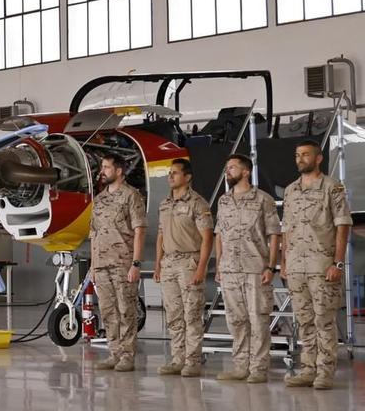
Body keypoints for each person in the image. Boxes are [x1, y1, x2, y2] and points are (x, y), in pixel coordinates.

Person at [280, 142, 351, 390]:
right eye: (297, 155)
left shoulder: (332, 187)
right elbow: (286, 229)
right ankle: (308, 369)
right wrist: (284, 261)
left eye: (305, 155)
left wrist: (338, 262)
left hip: (322, 264)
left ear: (318, 158)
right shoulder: (290, 190)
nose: (300, 159)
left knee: (324, 320)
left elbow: (343, 226)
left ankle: (325, 371)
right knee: (305, 320)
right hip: (297, 265)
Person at [212, 153, 279, 384]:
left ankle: (259, 368)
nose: (227, 171)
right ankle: (241, 366)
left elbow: (273, 235)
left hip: (255, 268)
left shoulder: (263, 200)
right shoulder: (223, 201)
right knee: (236, 320)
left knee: (258, 319)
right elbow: (218, 235)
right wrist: (219, 264)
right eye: (226, 167)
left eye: (232, 167)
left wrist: (271, 266)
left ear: (246, 171)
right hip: (230, 269)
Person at [153, 158, 212, 378]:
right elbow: (160, 235)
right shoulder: (165, 203)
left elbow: (207, 239)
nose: (170, 176)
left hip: (189, 262)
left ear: (187, 177)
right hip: (168, 263)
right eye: (169, 173)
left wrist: (201, 269)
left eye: (175, 173)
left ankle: (193, 361)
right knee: (174, 315)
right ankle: (178, 359)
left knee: (192, 314)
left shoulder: (198, 203)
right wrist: (158, 264)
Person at [87, 155, 146, 372]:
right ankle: (114, 353)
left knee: (126, 310)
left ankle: (127, 356)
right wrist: (93, 265)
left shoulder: (131, 196)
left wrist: (136, 263)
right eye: (102, 166)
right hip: (101, 264)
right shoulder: (100, 200)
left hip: (123, 263)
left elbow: (140, 230)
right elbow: (94, 233)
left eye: (106, 167)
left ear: (119, 171)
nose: (102, 171)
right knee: (107, 311)